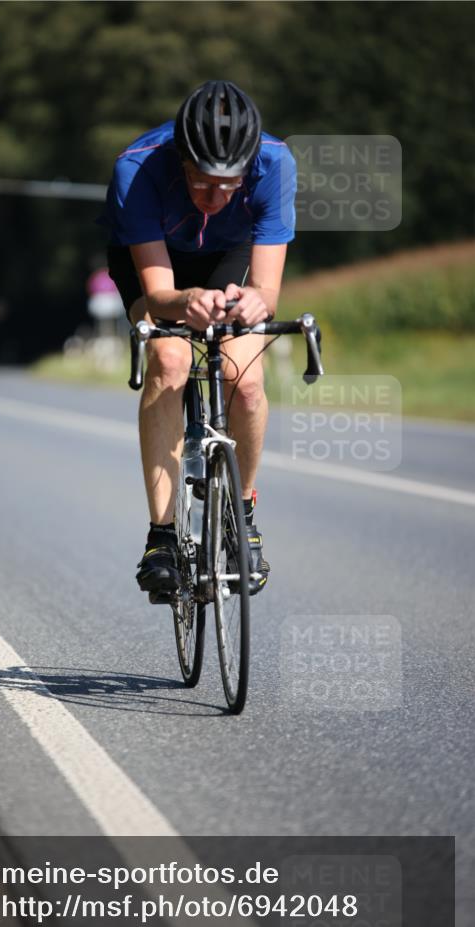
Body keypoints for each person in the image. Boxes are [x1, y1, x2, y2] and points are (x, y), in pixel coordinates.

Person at [99, 80, 297, 598]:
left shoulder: (276, 164)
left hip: (228, 255)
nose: (214, 199)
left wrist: (254, 302)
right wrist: (186, 301)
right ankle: (162, 537)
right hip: (155, 263)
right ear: (180, 161)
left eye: (229, 185)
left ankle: (242, 514)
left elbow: (267, 290)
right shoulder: (137, 168)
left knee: (243, 380)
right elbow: (160, 294)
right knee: (170, 360)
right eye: (201, 182)